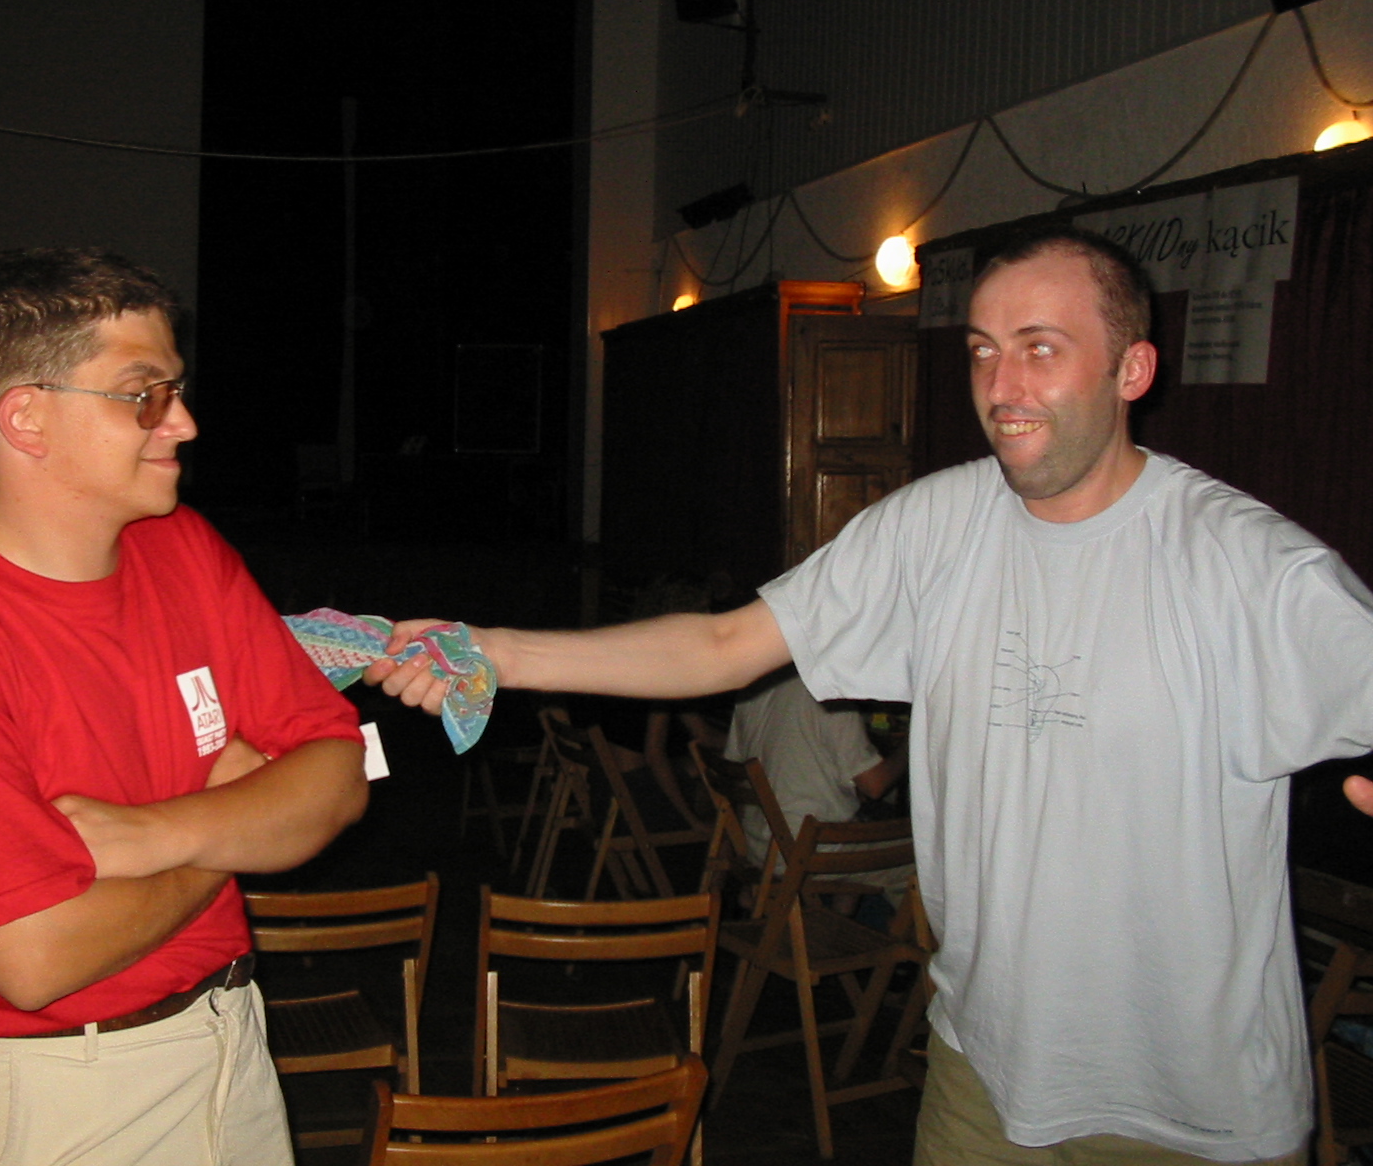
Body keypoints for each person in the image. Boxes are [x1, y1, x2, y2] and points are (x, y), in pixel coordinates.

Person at [370, 227, 1373, 1165]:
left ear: (1132, 369)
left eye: (1040, 348)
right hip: (982, 1071)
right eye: (982, 351)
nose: (1001, 386)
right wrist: (493, 651)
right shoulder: (936, 526)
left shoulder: (1248, 568)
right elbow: (724, 644)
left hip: (1191, 1111)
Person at [0, 248, 368, 1165]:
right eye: (141, 394)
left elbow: (340, 774)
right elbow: (36, 959)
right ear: (27, 419)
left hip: (230, 1040)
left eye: (175, 390)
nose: (182, 422)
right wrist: (233, 819)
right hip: (51, 1094)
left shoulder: (183, 548)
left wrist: (151, 835)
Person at [724, 667, 911, 913]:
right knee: (923, 852)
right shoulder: (829, 697)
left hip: (759, 847)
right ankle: (912, 934)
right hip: (806, 850)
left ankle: (832, 927)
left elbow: (738, 765)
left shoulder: (756, 686)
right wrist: (912, 744)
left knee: (858, 821)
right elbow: (875, 786)